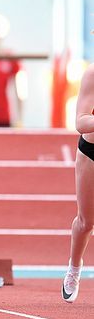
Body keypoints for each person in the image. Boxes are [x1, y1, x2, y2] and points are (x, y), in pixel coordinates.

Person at [62, 62, 94, 303]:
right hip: (92, 151)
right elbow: (81, 122)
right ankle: (74, 268)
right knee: (86, 222)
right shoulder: (92, 73)